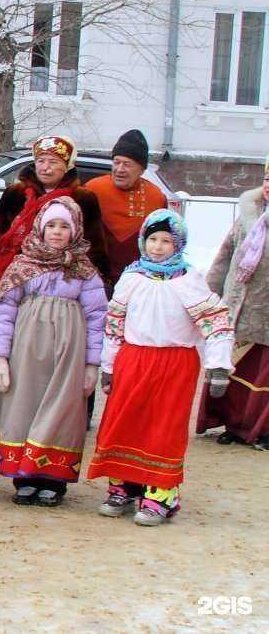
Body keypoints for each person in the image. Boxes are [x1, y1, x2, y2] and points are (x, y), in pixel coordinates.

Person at [88, 210, 234, 527]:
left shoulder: (189, 281)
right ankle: (123, 486)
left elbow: (216, 322)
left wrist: (219, 365)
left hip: (174, 363)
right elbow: (114, 325)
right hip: (133, 359)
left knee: (163, 428)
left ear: (178, 245)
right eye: (153, 239)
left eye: (166, 241)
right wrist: (109, 365)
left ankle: (160, 495)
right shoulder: (132, 278)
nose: (157, 247)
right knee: (125, 422)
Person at [0, 199, 107, 507]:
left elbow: (97, 319)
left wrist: (92, 364)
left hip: (67, 355)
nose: (56, 232)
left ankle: (53, 478)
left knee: (61, 410)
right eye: (51, 225)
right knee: (24, 405)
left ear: (75, 230)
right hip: (26, 352)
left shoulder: (84, 271)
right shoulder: (22, 266)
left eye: (64, 226)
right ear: (40, 227)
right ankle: (24, 476)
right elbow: (4, 311)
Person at [197, 156, 269, 449]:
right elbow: (225, 255)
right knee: (229, 370)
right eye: (267, 180)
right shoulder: (248, 215)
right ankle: (231, 424)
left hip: (265, 311)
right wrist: (209, 294)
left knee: (260, 378)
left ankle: (258, 431)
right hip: (237, 305)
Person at [0, 134, 109, 291]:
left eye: (53, 162)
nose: (45, 167)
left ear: (67, 166)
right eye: (40, 161)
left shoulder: (82, 198)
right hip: (14, 276)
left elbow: (94, 246)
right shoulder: (16, 193)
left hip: (63, 279)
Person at [82, 129, 167, 294]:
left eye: (127, 164)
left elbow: (164, 242)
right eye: (116, 162)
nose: (119, 169)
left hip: (137, 283)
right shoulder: (93, 190)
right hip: (94, 282)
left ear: (142, 169)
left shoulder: (155, 197)